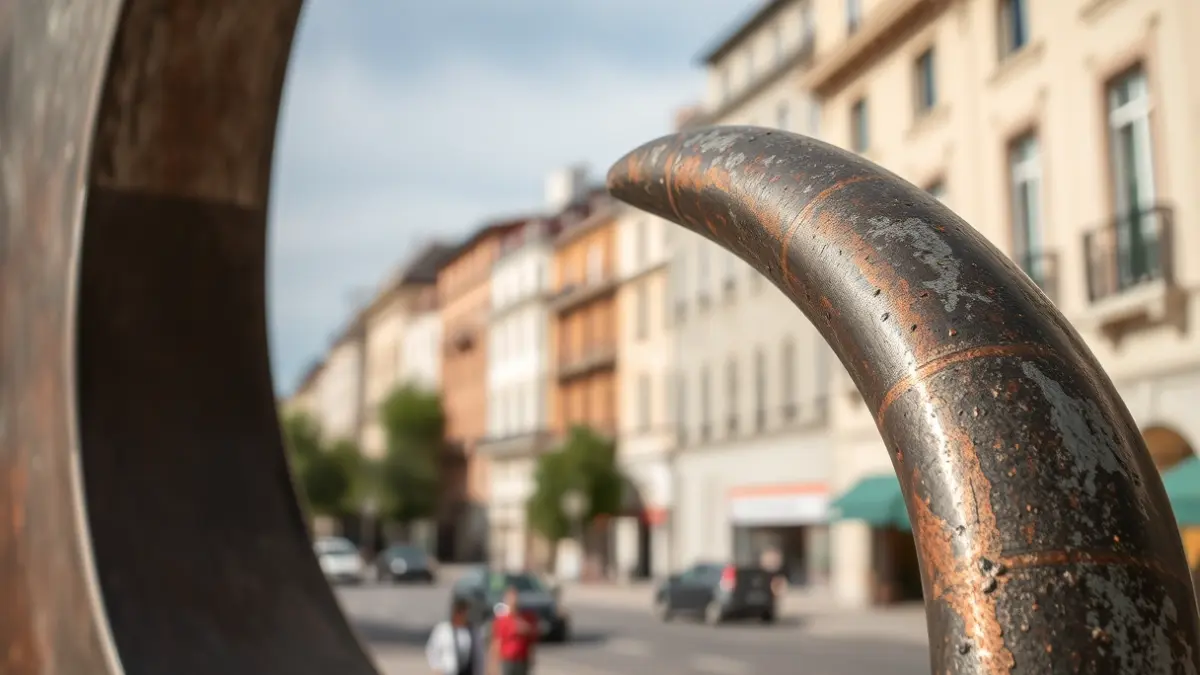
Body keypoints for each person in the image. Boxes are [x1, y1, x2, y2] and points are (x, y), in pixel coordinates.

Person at [488, 585, 537, 675]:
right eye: (510, 598)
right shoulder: (501, 620)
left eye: (515, 598)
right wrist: (493, 665)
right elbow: (497, 642)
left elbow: (531, 640)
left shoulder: (527, 618)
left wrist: (532, 657)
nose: (513, 601)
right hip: (508, 659)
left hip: (522, 659)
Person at [425, 598, 475, 675]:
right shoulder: (443, 630)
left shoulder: (471, 632)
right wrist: (436, 668)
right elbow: (432, 650)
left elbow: (477, 654)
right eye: (460, 613)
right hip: (447, 671)